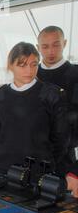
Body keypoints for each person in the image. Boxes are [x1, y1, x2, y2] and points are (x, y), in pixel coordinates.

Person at [0, 42, 69, 177]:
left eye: (33, 64)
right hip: (4, 170)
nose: (29, 71)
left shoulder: (51, 95)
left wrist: (47, 164)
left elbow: (61, 140)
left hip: (39, 173)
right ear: (10, 65)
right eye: (22, 65)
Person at [37, 26, 78, 164]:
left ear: (64, 43)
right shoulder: (29, 75)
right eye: (45, 46)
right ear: (38, 47)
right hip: (32, 154)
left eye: (56, 45)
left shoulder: (75, 75)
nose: (51, 51)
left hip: (65, 157)